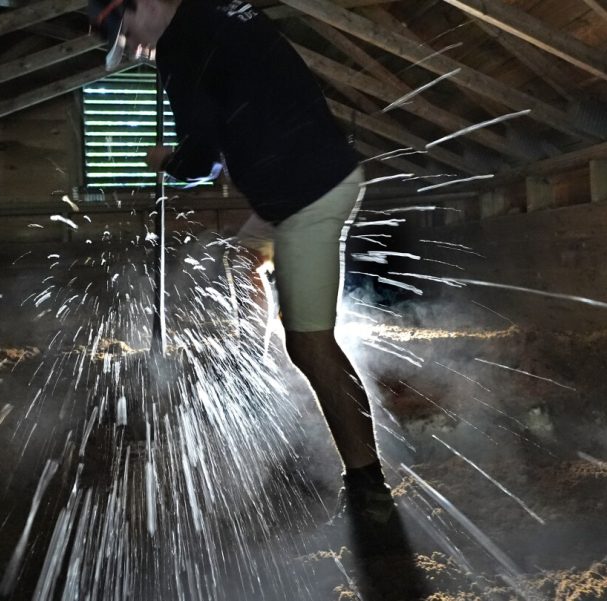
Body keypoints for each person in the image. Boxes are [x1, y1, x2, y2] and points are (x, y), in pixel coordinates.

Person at [89, 0, 393, 523]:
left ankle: (367, 482)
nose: (133, 45)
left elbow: (200, 159)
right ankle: (254, 350)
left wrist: (165, 161)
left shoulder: (180, 46)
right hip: (296, 184)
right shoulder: (219, 10)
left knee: (310, 345)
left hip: (309, 199)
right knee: (242, 257)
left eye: (125, 28)